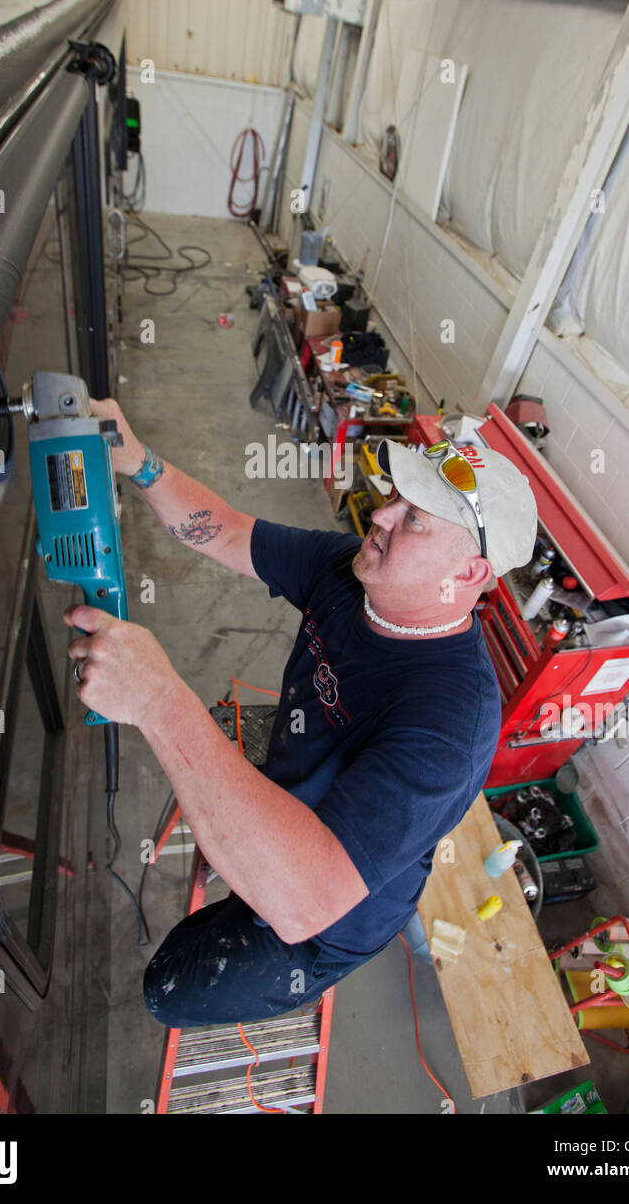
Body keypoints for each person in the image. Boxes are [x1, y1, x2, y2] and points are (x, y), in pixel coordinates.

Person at [64, 401, 537, 1027]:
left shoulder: (450, 724)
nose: (382, 515)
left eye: (414, 519)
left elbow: (301, 899)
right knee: (240, 845)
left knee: (170, 987)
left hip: (322, 920)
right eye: (396, 496)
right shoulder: (349, 572)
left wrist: (157, 699)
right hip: (295, 796)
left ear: (469, 572)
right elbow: (230, 530)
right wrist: (139, 462)